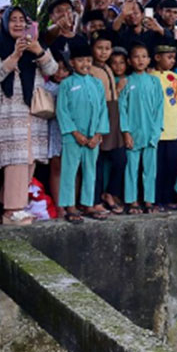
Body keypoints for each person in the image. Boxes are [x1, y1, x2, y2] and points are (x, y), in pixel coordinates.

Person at [0, 7, 59, 226]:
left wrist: (37, 50)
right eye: (13, 20)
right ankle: (13, 209)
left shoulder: (35, 44)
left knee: (29, 158)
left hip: (33, 111)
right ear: (5, 23)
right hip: (10, 110)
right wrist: (15, 54)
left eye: (21, 20)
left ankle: (10, 207)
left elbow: (53, 69)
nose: (17, 24)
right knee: (16, 160)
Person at [56, 40, 110, 223]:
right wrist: (75, 133)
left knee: (90, 170)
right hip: (73, 137)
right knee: (70, 170)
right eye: (80, 60)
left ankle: (88, 204)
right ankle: (69, 206)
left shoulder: (96, 83)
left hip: (93, 137)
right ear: (72, 62)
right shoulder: (66, 84)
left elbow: (103, 109)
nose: (85, 64)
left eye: (88, 60)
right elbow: (62, 111)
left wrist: (98, 134)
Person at [119, 43, 164, 214]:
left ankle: (149, 201)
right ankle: (132, 201)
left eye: (144, 56)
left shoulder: (154, 81)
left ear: (149, 60)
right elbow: (122, 108)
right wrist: (126, 132)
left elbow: (160, 107)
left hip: (151, 132)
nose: (140, 60)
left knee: (150, 170)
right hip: (133, 133)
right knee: (131, 169)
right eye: (136, 57)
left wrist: (157, 131)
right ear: (130, 61)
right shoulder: (127, 81)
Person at [89, 30, 127, 214]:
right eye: (99, 48)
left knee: (120, 159)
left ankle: (110, 193)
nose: (103, 52)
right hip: (99, 117)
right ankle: (94, 200)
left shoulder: (108, 68)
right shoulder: (91, 70)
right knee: (96, 163)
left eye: (107, 48)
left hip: (114, 117)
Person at [152, 41, 177, 208]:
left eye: (173, 58)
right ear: (157, 57)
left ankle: (168, 198)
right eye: (168, 57)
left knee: (171, 166)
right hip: (156, 131)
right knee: (157, 167)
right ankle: (155, 199)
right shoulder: (150, 77)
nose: (172, 61)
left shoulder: (175, 78)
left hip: (173, 130)